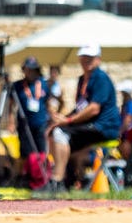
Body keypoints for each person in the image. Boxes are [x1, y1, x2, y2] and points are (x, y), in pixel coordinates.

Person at [43, 43, 120, 193]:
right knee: (55, 133)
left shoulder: (101, 78)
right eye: (84, 57)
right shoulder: (82, 80)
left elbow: (93, 109)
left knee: (61, 133)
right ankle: (63, 180)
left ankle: (57, 180)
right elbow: (81, 108)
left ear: (98, 59)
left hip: (104, 127)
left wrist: (68, 121)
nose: (87, 60)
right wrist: (62, 119)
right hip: (91, 126)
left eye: (90, 57)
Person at [11, 57, 50, 188]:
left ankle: (41, 177)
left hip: (40, 123)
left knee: (41, 152)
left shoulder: (43, 84)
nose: (30, 73)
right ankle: (22, 177)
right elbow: (11, 105)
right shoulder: (17, 86)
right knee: (25, 153)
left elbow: (48, 102)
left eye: (32, 70)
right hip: (24, 124)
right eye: (27, 70)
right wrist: (10, 121)